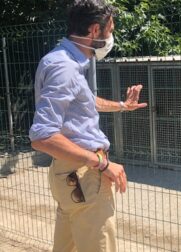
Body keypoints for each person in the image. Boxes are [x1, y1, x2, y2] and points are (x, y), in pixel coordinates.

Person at [29, 0, 147, 251]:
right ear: (95, 30)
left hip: (71, 177)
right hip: (84, 177)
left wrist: (123, 105)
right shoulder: (65, 68)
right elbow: (42, 135)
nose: (111, 36)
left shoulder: (60, 60)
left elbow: (85, 102)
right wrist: (103, 164)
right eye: (110, 30)